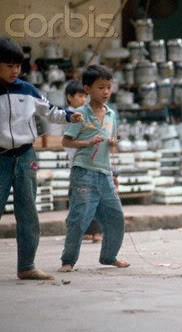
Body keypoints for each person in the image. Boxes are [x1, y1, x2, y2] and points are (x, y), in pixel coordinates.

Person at [0, 37, 83, 280]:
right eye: (9, 65)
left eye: (18, 66)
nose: (15, 70)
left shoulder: (28, 90)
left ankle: (26, 266)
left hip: (26, 156)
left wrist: (70, 116)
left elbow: (51, 111)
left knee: (28, 212)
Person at [58, 65, 129, 272]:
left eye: (109, 87)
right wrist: (86, 143)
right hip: (83, 172)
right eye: (101, 88)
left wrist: (113, 143)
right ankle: (68, 261)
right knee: (79, 219)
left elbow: (111, 140)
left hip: (105, 173)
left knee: (115, 217)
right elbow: (66, 141)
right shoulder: (80, 114)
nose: (106, 92)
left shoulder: (111, 114)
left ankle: (109, 256)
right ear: (87, 89)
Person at [64, 80, 103, 243]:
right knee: (83, 197)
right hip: (78, 161)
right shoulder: (69, 116)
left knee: (89, 196)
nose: (84, 99)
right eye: (80, 95)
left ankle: (92, 230)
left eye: (85, 95)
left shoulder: (87, 113)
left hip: (88, 160)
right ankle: (85, 230)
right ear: (69, 97)